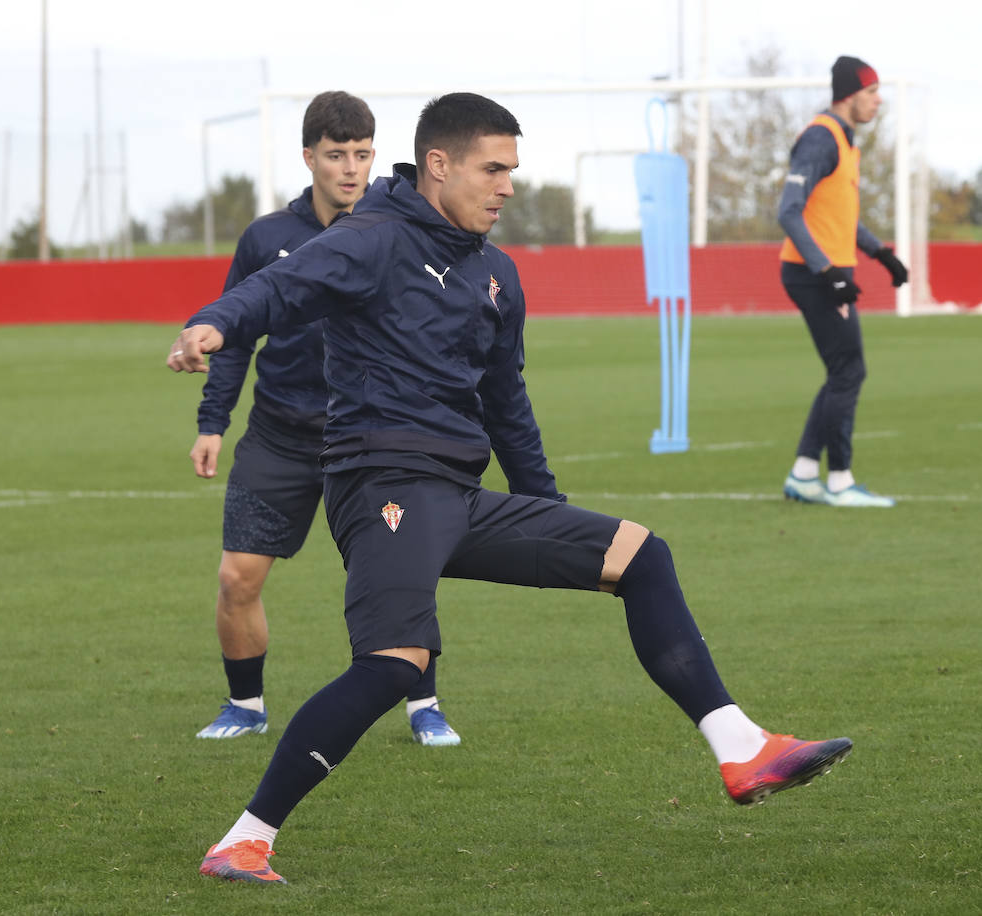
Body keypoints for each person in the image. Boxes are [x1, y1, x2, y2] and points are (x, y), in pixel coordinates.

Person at [169, 92, 853, 886]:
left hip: (454, 493)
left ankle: (742, 750)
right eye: (493, 169)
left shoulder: (496, 273)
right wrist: (214, 323)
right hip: (381, 485)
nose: (508, 186)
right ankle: (244, 839)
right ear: (439, 164)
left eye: (514, 171)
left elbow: (506, 405)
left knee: (639, 555)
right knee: (395, 665)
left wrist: (546, 510)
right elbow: (278, 288)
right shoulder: (370, 237)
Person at [186, 91, 461, 748]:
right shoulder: (267, 239)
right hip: (281, 433)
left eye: (362, 154)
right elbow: (239, 328)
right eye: (336, 155)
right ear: (309, 156)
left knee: (403, 577)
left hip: (373, 439)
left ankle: (424, 703)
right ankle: (246, 704)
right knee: (235, 578)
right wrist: (212, 421)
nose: (351, 169)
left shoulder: (400, 232)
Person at [777, 55, 909, 508]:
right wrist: (828, 272)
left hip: (828, 273)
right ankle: (839, 481)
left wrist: (882, 254)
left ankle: (804, 473)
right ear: (850, 95)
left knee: (842, 371)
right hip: (814, 275)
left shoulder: (845, 141)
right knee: (850, 370)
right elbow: (788, 211)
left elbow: (841, 217)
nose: (878, 101)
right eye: (872, 93)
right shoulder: (820, 138)